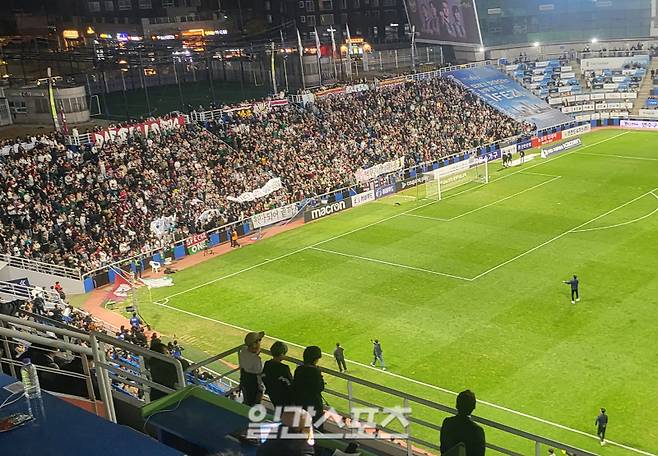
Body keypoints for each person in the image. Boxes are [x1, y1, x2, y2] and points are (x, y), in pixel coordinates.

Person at [440, 390, 486, 456]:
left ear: (456, 405)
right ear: (474, 407)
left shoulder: (447, 422)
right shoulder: (477, 430)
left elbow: (443, 449)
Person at [292, 346, 325, 429]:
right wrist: (320, 376)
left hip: (300, 402)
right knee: (317, 427)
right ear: (315, 359)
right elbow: (320, 388)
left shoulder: (299, 369)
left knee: (302, 426)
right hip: (314, 404)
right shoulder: (315, 372)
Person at [262, 341, 293, 407]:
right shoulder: (284, 368)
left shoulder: (267, 364)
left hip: (272, 394)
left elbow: (264, 377)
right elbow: (290, 384)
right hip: (283, 397)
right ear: (282, 354)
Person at [238, 331, 265, 406]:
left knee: (247, 400)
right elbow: (259, 378)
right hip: (254, 386)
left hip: (244, 381)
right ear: (254, 345)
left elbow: (249, 352)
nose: (260, 342)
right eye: (259, 341)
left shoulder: (243, 351)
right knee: (254, 405)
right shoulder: (257, 360)